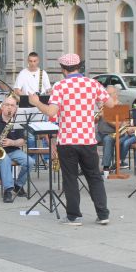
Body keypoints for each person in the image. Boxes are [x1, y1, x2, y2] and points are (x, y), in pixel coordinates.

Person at [30, 53, 114, 226]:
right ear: (79, 67)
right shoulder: (92, 83)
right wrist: (98, 103)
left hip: (67, 139)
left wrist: (36, 102)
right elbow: (111, 103)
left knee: (70, 178)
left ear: (63, 69)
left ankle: (74, 216)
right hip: (88, 139)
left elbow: (51, 112)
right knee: (94, 177)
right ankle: (103, 214)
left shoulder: (60, 86)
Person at [0, 95, 33, 203]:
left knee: (30, 161)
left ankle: (18, 185)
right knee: (5, 160)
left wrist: (12, 142)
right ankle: (8, 190)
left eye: (12, 106)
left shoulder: (17, 122)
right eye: (7, 105)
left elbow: (22, 141)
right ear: (2, 107)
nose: (9, 108)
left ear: (15, 108)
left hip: (14, 150)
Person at [96, 86, 131, 178]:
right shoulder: (104, 105)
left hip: (115, 134)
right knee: (88, 140)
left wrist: (105, 117)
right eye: (106, 94)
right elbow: (95, 121)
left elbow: (119, 125)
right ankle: (89, 166)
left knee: (108, 140)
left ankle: (106, 167)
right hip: (100, 133)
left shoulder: (121, 106)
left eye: (109, 94)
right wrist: (96, 117)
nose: (106, 96)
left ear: (116, 94)